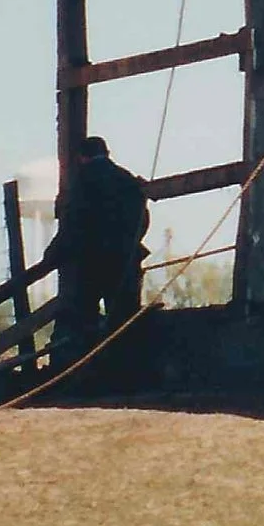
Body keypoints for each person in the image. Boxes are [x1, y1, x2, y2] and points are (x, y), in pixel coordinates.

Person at [49, 135, 151, 367]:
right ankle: (130, 373)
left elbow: (73, 222)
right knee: (125, 319)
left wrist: (53, 253)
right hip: (126, 260)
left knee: (86, 319)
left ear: (81, 158)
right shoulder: (127, 179)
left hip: (92, 262)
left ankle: (92, 372)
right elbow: (143, 220)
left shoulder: (83, 181)